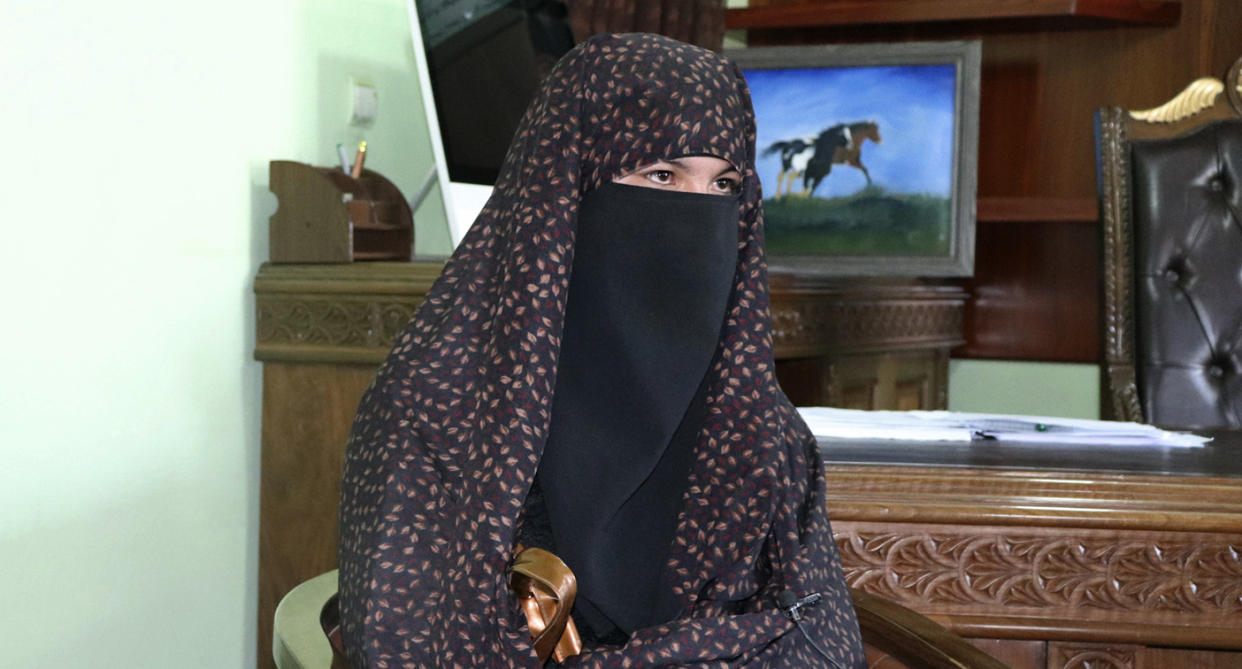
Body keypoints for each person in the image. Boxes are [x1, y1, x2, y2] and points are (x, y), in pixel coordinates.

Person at [338, 32, 866, 668]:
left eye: (724, 186)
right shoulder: (440, 413)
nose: (696, 218)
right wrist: (725, 644)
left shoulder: (761, 425)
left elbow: (820, 646)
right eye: (661, 174)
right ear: (568, 193)